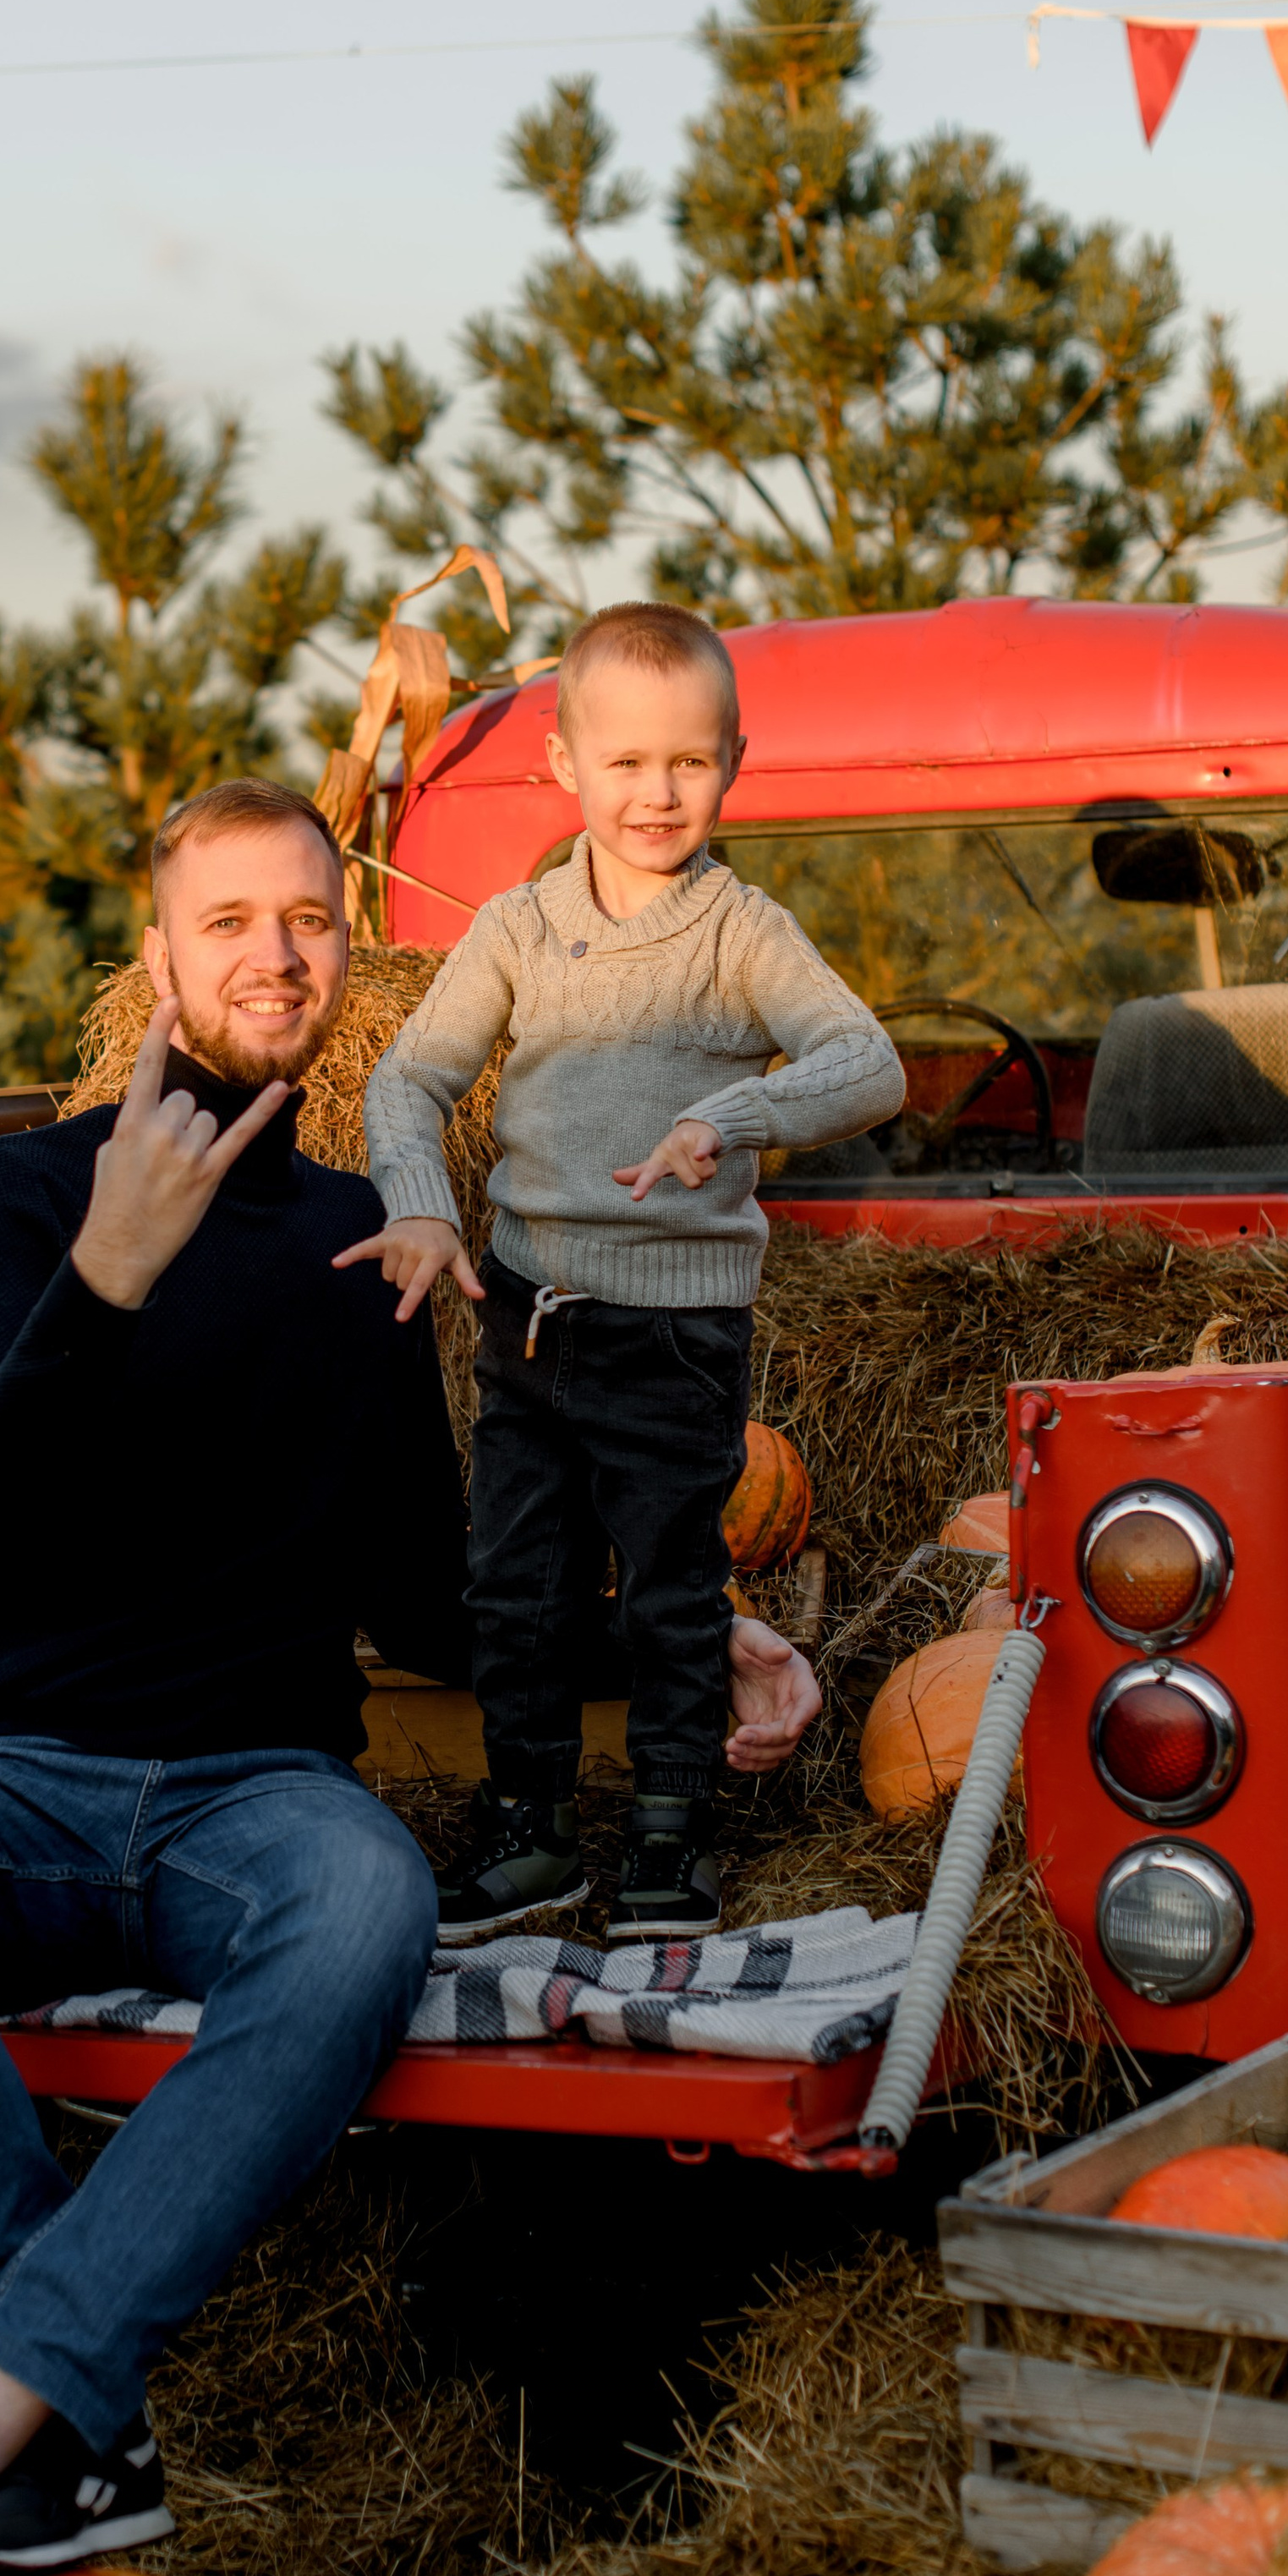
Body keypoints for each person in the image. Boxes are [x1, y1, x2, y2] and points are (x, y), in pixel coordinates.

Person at [0, 775, 820, 2576]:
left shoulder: (361, 1247)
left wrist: (682, 1634)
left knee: (365, 1903)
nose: (272, 953)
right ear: (155, 958)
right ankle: (52, 2416)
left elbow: (418, 1599)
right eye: (226, 919)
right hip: (9, 1779)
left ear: (348, 957)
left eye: (307, 918)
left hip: (251, 1798)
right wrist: (107, 1275)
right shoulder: (15, 1195)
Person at [347, 603, 902, 1948]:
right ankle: (532, 1831)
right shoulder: (518, 931)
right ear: (563, 761)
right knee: (516, 1590)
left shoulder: (742, 931)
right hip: (531, 1318)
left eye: (690, 763)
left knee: (667, 1590)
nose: (658, 794)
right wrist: (422, 1211)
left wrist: (740, 1115)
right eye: (627, 763)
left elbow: (868, 1063)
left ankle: (669, 1833)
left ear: (733, 760)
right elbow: (408, 1079)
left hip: (675, 1334)